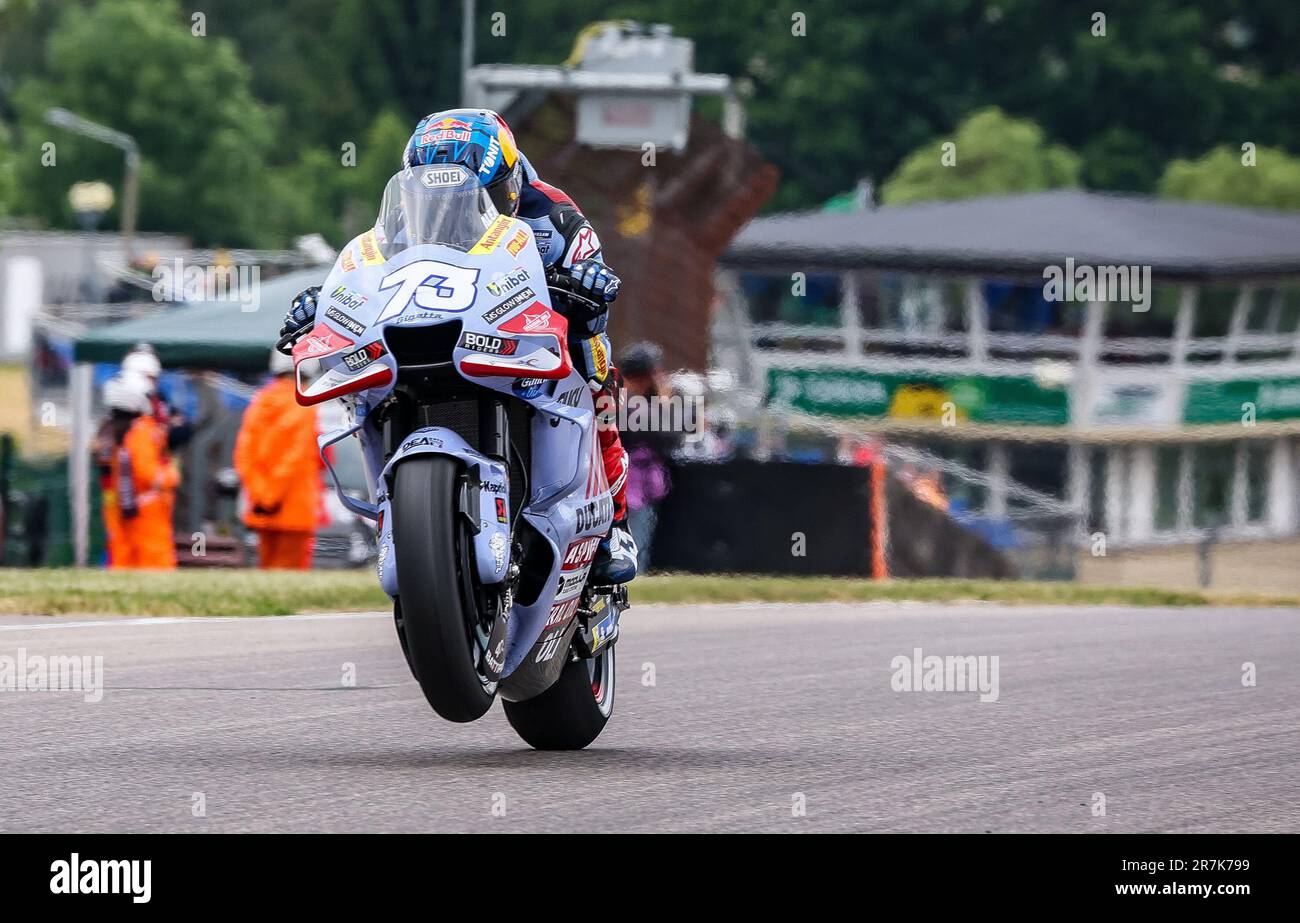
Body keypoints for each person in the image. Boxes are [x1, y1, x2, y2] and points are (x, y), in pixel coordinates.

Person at [277, 108, 636, 584]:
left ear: (508, 182)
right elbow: (367, 269)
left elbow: (595, 282)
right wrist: (325, 305)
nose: (450, 207)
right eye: (432, 195)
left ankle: (614, 523)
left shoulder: (553, 215)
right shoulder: (401, 221)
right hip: (436, 326)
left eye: (477, 194)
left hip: (521, 324)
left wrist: (588, 283)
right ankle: (399, 504)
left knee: (597, 369)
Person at [233, 349, 324, 569]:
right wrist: (273, 495)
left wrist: (262, 496)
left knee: (267, 571)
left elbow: (244, 456)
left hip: (263, 507)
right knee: (290, 576)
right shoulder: (303, 404)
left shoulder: (258, 404)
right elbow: (297, 456)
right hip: (293, 504)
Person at [98, 373, 179, 569]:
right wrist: (171, 475)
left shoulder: (115, 432)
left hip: (124, 507)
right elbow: (149, 474)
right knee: (155, 559)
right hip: (147, 509)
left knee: (124, 556)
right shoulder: (141, 431)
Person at [618, 342, 683, 573]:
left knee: (638, 544)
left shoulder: (639, 403)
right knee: (634, 547)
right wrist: (665, 402)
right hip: (629, 489)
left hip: (639, 489)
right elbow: (671, 436)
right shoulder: (625, 403)